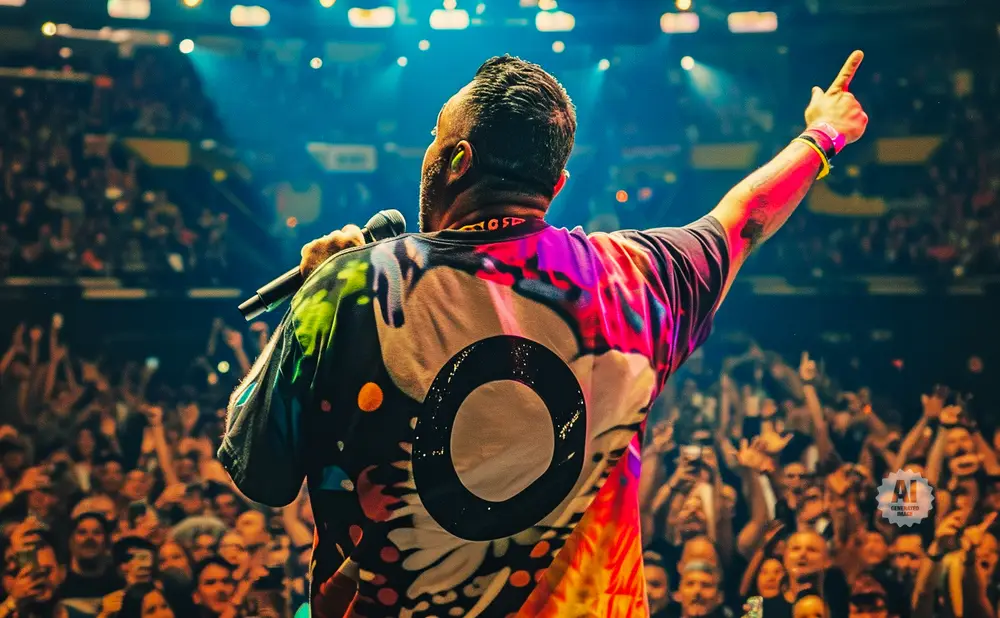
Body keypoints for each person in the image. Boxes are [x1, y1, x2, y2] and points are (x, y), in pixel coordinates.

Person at [220, 52, 869, 617]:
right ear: (556, 186)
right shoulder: (636, 279)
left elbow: (257, 470)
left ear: (454, 160)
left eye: (431, 137)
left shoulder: (350, 289)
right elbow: (745, 218)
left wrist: (309, 300)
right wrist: (822, 136)